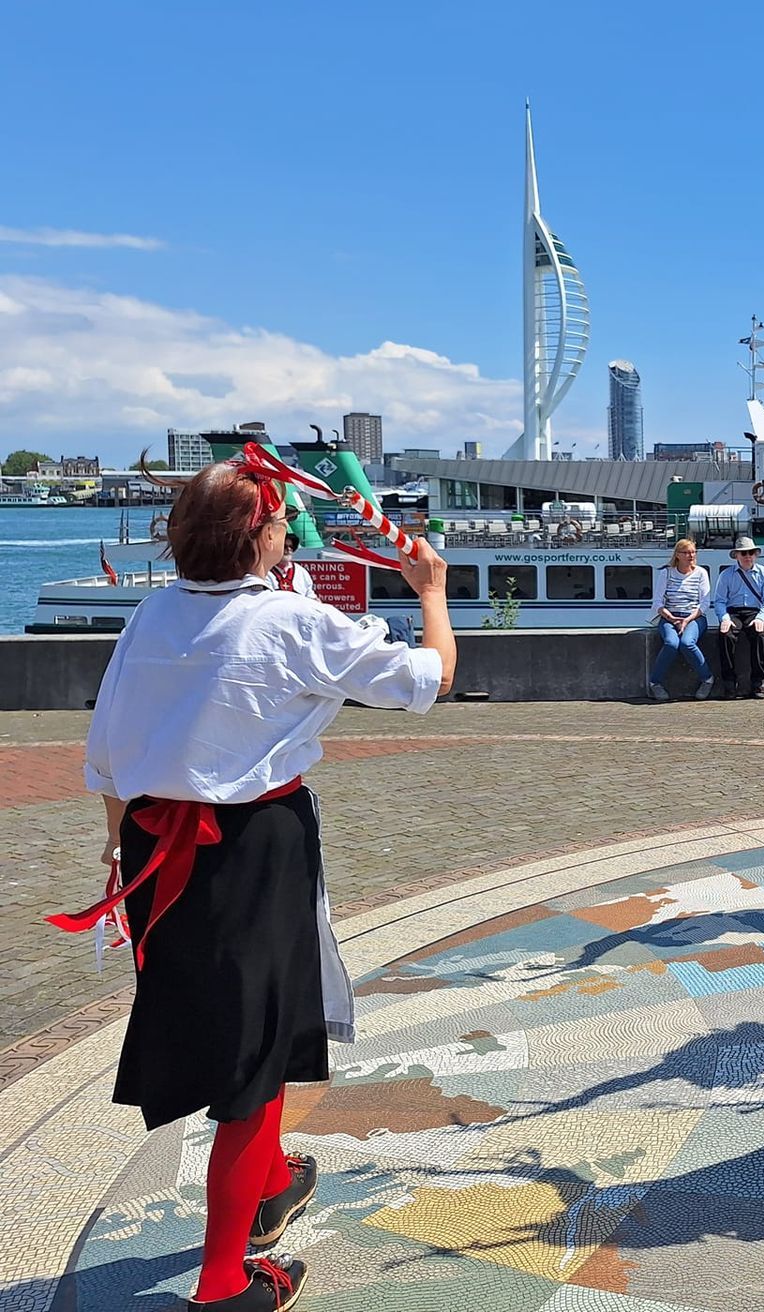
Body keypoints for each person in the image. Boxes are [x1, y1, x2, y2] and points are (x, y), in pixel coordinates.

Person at [55, 458, 456, 1310]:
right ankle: (222, 1284)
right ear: (261, 537)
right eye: (279, 523)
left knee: (225, 1020)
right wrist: (431, 593)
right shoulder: (287, 619)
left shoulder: (153, 612)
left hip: (155, 847)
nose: (287, 533)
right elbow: (429, 678)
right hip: (251, 849)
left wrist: (119, 850)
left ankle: (272, 1182)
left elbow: (109, 749)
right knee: (254, 1062)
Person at [711, 535, 764, 698]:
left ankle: (758, 682)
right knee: (725, 635)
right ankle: (729, 682)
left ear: (755, 554)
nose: (748, 556)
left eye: (751, 553)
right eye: (744, 553)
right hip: (733, 612)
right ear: (737, 556)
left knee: (759, 635)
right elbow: (720, 601)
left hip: (755, 611)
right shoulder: (726, 575)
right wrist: (724, 618)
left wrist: (761, 617)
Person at [648, 539, 713, 701]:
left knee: (687, 643)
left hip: (694, 617)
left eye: (693, 552)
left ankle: (707, 678)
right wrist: (671, 618)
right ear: (677, 555)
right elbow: (657, 603)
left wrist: (687, 620)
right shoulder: (666, 573)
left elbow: (704, 603)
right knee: (671, 644)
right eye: (686, 553)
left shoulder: (701, 573)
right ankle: (655, 683)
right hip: (669, 616)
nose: (691, 556)